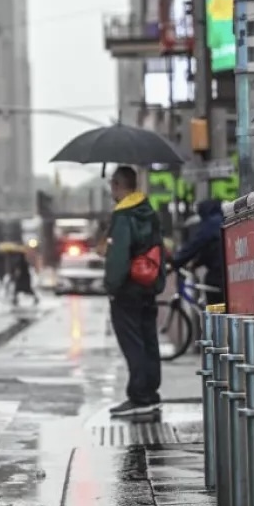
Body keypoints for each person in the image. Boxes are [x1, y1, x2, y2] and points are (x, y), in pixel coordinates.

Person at [103, 166, 164, 418]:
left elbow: (120, 256)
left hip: (127, 289)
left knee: (132, 343)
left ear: (118, 185)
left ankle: (139, 397)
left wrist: (112, 286)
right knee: (148, 339)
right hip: (148, 285)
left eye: (112, 186)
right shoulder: (148, 211)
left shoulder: (123, 215)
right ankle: (150, 393)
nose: (111, 191)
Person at [170, 199, 225, 305]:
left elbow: (194, 245)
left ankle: (213, 319)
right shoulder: (221, 220)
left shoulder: (211, 223)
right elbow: (211, 250)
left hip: (219, 274)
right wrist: (196, 263)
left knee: (212, 288)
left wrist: (175, 261)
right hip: (225, 271)